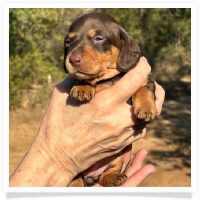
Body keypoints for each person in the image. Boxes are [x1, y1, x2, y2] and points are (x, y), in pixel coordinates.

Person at [9, 57, 165, 187]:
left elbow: (146, 85)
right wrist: (60, 159)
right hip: (77, 169)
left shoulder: (128, 71)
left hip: (111, 157)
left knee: (117, 159)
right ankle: (77, 180)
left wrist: (144, 98)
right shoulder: (86, 75)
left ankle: (108, 175)